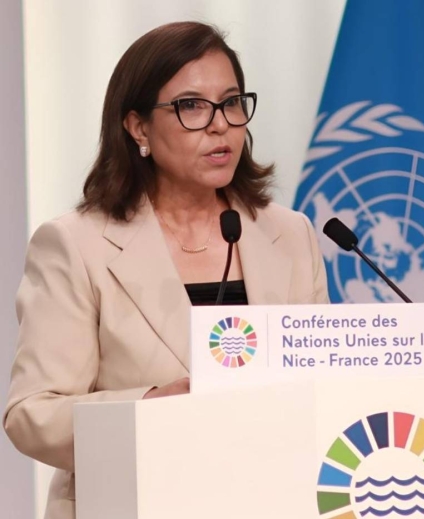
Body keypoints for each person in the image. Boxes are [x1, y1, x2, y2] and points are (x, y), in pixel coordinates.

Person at [3, 21, 329, 519]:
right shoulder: (76, 245)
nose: (220, 125)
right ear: (138, 128)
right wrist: (152, 407)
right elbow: (32, 414)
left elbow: (323, 384)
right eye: (191, 106)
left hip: (272, 499)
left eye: (231, 102)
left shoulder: (289, 234)